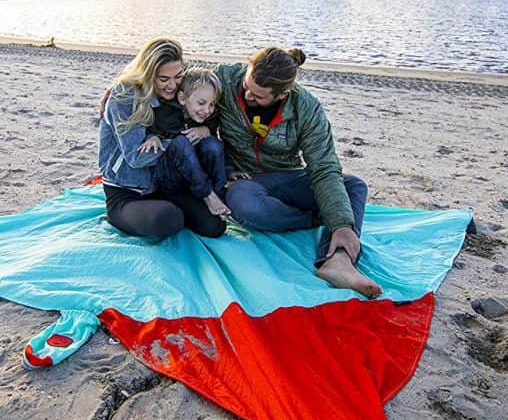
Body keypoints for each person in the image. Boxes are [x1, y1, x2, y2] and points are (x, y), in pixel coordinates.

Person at [216, 47, 381, 298]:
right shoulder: (226, 78)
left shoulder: (307, 108)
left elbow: (323, 167)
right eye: (247, 86)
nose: (247, 94)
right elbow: (183, 83)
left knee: (354, 187)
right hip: (244, 179)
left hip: (287, 176)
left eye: (258, 96)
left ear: (283, 94)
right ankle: (317, 217)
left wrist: (342, 225)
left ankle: (338, 261)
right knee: (249, 208)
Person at [98, 38, 226, 239]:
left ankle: (193, 202)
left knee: (214, 227)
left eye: (177, 76)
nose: (172, 85)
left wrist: (205, 130)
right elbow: (135, 157)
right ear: (148, 73)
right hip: (127, 190)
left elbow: (204, 93)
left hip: (163, 184)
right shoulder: (124, 96)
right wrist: (172, 144)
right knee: (168, 219)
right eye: (163, 79)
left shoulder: (177, 87)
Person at [143, 67, 231, 219]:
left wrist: (207, 130)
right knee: (181, 142)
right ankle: (208, 195)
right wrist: (153, 137)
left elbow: (214, 138)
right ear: (183, 98)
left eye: (212, 104)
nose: (207, 110)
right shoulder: (165, 112)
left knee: (213, 144)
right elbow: (152, 127)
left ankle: (218, 194)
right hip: (169, 179)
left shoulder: (209, 117)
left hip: (195, 179)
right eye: (201, 103)